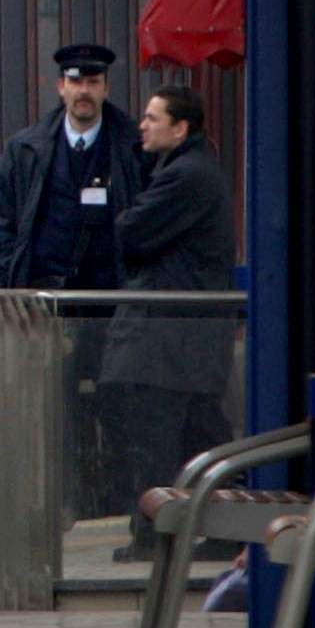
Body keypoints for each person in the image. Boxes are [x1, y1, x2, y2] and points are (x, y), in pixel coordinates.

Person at [103, 85, 237, 554]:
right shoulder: (191, 169)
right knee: (199, 431)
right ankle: (222, 532)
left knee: (158, 435)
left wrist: (128, 222)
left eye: (152, 118)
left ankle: (155, 536)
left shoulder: (185, 175)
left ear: (180, 128)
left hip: (170, 335)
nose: (142, 125)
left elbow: (130, 233)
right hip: (186, 334)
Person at [0, 43, 141, 290]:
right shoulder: (24, 150)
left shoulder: (135, 149)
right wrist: (11, 284)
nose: (84, 91)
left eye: (93, 82)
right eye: (75, 82)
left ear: (106, 88)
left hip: (112, 297)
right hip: (43, 294)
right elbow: (5, 223)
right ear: (61, 87)